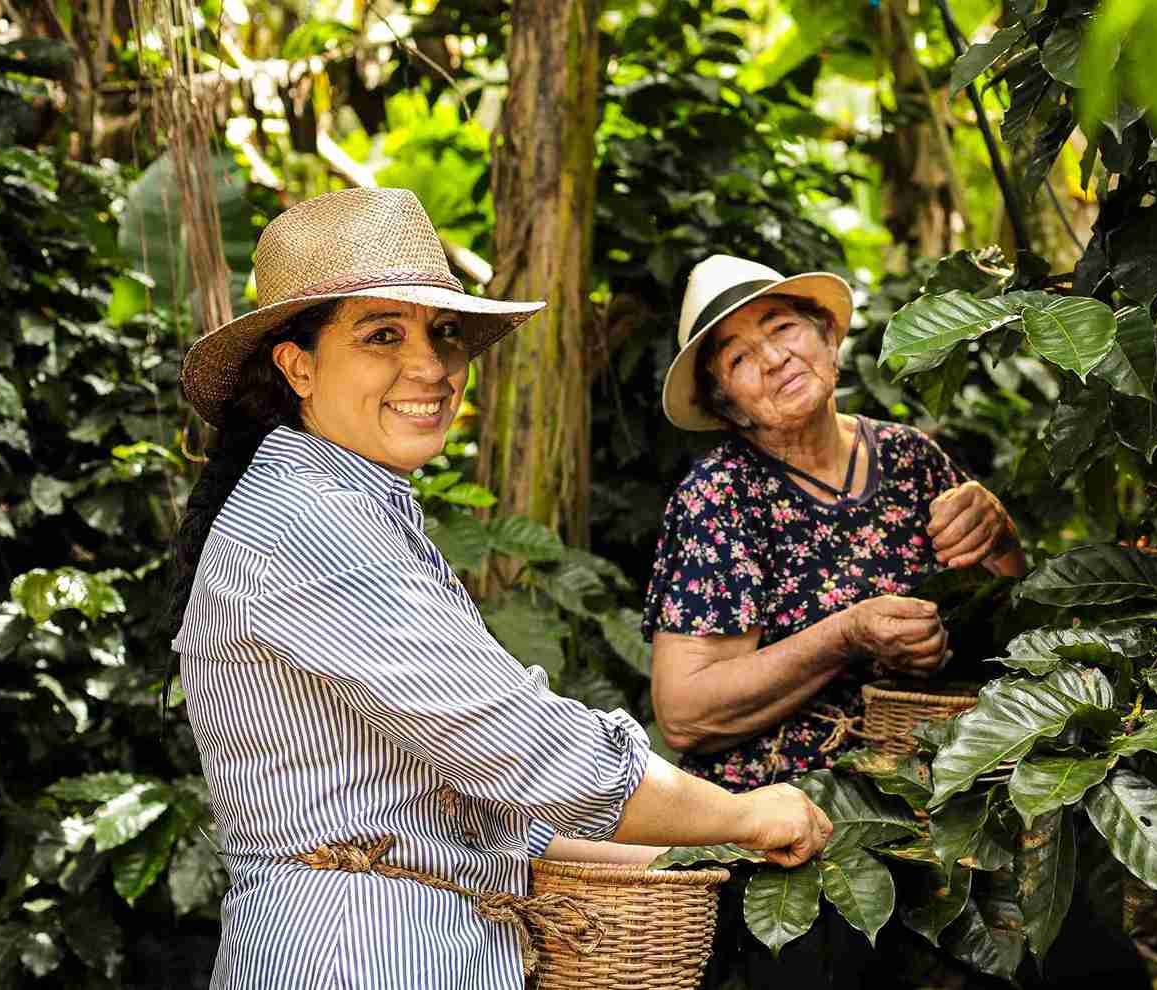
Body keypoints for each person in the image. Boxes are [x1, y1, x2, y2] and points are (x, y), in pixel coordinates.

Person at [169, 189, 832, 990]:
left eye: (443, 333)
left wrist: (689, 844)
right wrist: (747, 813)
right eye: (382, 335)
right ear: (298, 365)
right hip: (355, 956)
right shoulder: (314, 524)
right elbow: (525, 748)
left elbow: (450, 792)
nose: (431, 367)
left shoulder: (351, 500)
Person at [643, 254, 1027, 793]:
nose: (775, 358)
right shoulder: (721, 494)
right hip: (779, 820)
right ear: (727, 406)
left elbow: (1013, 629)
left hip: (931, 793)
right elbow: (684, 713)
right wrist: (845, 635)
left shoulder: (909, 458)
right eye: (739, 360)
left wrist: (1001, 535)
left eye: (783, 328)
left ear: (826, 337)